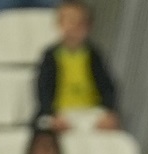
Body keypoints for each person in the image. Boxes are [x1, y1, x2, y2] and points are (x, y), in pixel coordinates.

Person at [34, 0, 119, 132]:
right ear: (59, 24)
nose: (74, 28)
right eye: (69, 22)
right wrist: (51, 113)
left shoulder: (94, 55)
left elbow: (107, 87)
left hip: (91, 112)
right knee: (44, 124)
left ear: (88, 27)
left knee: (110, 124)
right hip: (60, 113)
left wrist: (109, 111)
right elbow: (43, 89)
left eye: (79, 23)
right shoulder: (50, 56)